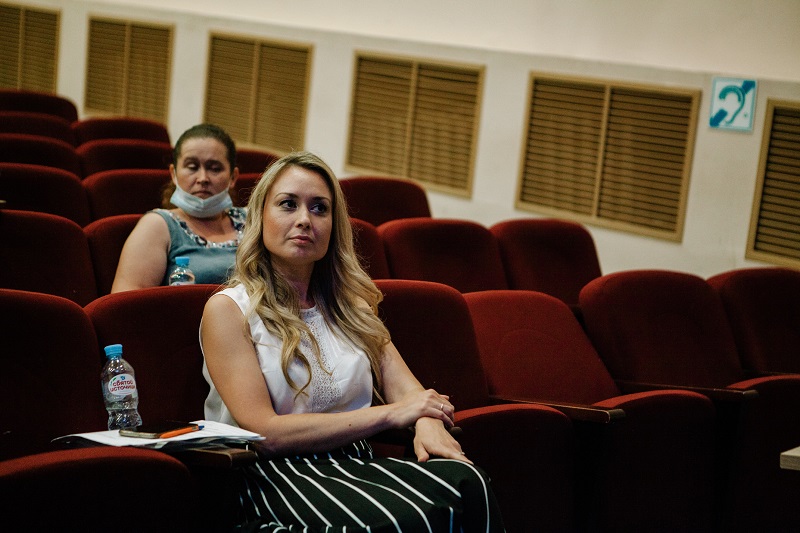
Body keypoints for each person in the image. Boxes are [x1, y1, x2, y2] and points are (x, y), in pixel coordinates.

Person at [200, 151, 505, 532]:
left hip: (355, 461)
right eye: (288, 204)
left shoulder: (351, 307)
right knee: (404, 519)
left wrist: (427, 421)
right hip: (273, 473)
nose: (304, 219)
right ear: (261, 216)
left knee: (470, 484)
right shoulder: (229, 310)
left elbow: (409, 391)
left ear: (334, 225)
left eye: (319, 208)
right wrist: (392, 415)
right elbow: (266, 433)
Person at [111, 123, 245, 293]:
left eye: (215, 169)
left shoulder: (252, 220)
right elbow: (126, 301)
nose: (203, 178)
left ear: (233, 177)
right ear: (174, 174)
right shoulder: (157, 225)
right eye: (192, 167)